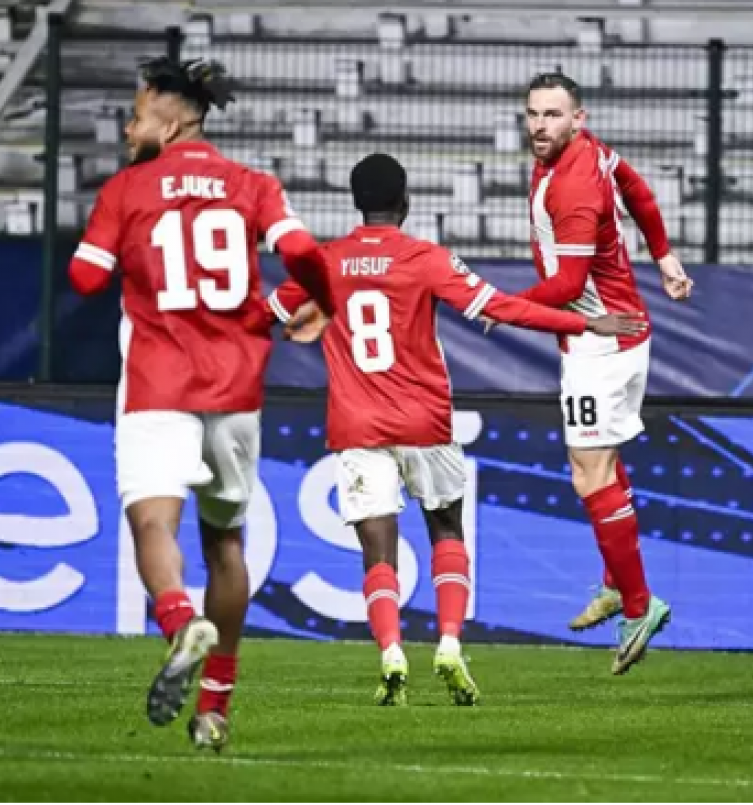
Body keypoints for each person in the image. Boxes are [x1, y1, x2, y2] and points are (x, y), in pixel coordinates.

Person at [268, 153, 648, 705]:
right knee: (446, 531)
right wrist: (585, 321)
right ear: (405, 202)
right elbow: (503, 309)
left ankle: (391, 652)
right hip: (424, 420)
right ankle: (448, 643)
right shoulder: (426, 259)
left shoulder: (325, 261)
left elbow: (265, 313)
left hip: (357, 423)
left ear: (355, 203)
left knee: (377, 550)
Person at [68, 56, 333, 751]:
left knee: (154, 522)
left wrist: (119, 244)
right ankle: (214, 708)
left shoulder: (127, 189)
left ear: (171, 124)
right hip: (236, 389)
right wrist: (319, 302)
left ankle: (181, 622)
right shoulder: (253, 185)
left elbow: (85, 278)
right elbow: (306, 253)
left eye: (136, 116)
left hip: (159, 384)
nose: (128, 130)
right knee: (225, 543)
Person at [512, 71, 694, 674]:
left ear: (577, 118)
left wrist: (498, 304)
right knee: (599, 466)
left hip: (602, 344)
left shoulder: (573, 185)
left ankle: (639, 604)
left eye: (553, 115)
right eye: (534, 113)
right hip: (610, 336)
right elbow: (638, 189)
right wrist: (664, 254)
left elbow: (567, 285)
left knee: (589, 477)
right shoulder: (588, 154)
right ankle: (617, 582)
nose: (541, 125)